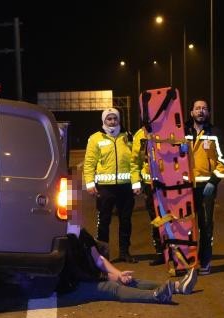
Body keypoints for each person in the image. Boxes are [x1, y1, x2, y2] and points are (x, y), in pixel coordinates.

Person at [58, 225, 198, 303]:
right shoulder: (63, 238)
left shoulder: (80, 231)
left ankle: (178, 287)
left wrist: (118, 273)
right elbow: (80, 273)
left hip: (87, 277)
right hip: (72, 287)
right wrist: (109, 277)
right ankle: (156, 296)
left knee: (128, 280)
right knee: (113, 288)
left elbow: (98, 259)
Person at [83, 108, 142, 263]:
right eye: (109, 119)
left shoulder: (127, 137)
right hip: (105, 187)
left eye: (115, 118)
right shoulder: (95, 138)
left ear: (119, 120)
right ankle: (103, 254)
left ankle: (124, 252)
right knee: (104, 221)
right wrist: (90, 184)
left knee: (126, 220)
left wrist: (136, 183)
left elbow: (134, 163)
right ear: (104, 121)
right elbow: (89, 164)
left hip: (125, 187)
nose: (112, 121)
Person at [184, 99, 224, 274]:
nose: (201, 111)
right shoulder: (182, 132)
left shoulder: (215, 133)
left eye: (204, 108)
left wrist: (213, 181)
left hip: (206, 187)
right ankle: (186, 260)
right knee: (185, 225)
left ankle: (205, 261)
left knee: (205, 225)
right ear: (191, 112)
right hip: (185, 186)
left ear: (208, 113)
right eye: (197, 108)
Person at [130, 126, 164, 265]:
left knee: (172, 219)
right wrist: (136, 182)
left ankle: (176, 251)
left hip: (169, 184)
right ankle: (161, 252)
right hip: (149, 185)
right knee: (156, 220)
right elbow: (135, 161)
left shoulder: (167, 128)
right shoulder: (140, 134)